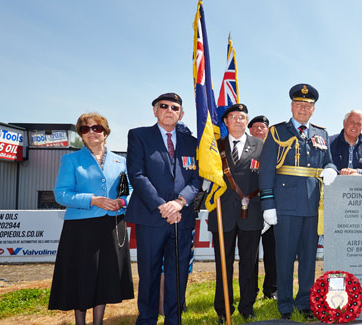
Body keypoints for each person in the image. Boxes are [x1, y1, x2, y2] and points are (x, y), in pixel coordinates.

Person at [258, 83, 338, 320]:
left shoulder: (321, 134)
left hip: (313, 206)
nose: (303, 108)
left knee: (308, 256)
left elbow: (329, 161)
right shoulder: (276, 132)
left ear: (313, 109)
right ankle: (284, 303)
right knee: (284, 256)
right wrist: (268, 204)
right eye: (299, 104)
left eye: (308, 105)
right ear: (291, 106)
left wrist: (331, 169)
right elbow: (266, 171)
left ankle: (305, 300)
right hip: (285, 205)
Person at [48, 112, 134, 325]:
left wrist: (122, 202)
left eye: (97, 128)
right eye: (85, 129)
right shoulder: (70, 160)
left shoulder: (120, 161)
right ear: (81, 135)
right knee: (82, 278)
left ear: (105, 133)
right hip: (81, 229)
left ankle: (98, 322)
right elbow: (61, 194)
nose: (91, 132)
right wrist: (92, 200)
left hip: (111, 226)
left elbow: (130, 190)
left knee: (104, 278)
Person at [126, 92, 202, 324]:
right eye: (164, 106)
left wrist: (179, 203)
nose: (169, 110)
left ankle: (173, 319)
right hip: (151, 217)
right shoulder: (139, 135)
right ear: (155, 110)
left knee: (177, 274)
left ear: (182, 114)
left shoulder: (193, 142)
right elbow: (137, 175)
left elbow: (198, 178)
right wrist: (163, 207)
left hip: (182, 217)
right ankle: (147, 319)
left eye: (175, 107)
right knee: (148, 273)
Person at [208, 103, 265, 322]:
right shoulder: (214, 146)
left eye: (242, 117)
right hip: (222, 213)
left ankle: (247, 306)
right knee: (223, 262)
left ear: (246, 121)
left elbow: (266, 178)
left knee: (249, 262)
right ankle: (223, 308)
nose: (238, 121)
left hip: (251, 212)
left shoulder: (260, 145)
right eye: (233, 117)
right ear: (225, 122)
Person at [248, 114, 278, 301]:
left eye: (263, 127)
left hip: (270, 207)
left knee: (272, 252)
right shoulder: (243, 148)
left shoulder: (274, 150)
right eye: (256, 127)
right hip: (249, 208)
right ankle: (250, 290)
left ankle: (272, 289)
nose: (259, 130)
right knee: (250, 253)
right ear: (249, 130)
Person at [329, 109, 362, 175]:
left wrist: (358, 172)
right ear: (344, 123)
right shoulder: (329, 143)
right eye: (352, 122)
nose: (355, 126)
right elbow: (321, 167)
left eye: (358, 124)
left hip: (361, 185)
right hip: (334, 185)